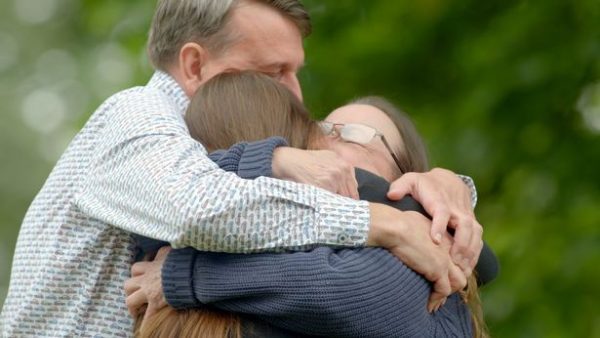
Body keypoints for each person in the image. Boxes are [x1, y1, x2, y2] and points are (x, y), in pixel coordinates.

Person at [0, 1, 483, 336]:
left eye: (296, 71)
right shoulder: (135, 119)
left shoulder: (203, 152)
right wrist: (387, 224)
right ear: (194, 66)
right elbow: (202, 210)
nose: (295, 95)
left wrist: (448, 190)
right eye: (272, 72)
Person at [127, 71, 494, 337]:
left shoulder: (421, 247)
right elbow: (177, 190)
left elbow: (351, 291)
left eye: (354, 136)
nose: (327, 146)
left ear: (409, 177)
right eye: (322, 130)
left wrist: (184, 274)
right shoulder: (255, 229)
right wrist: (273, 160)